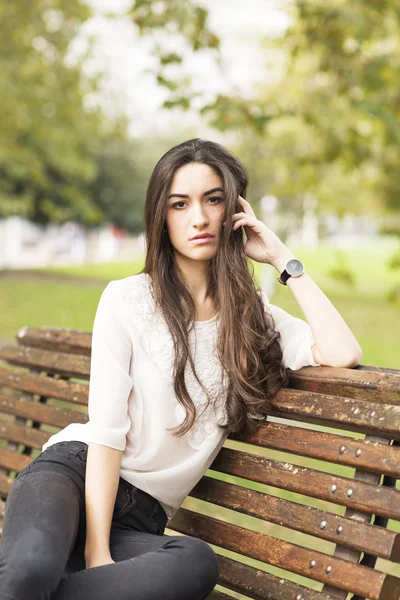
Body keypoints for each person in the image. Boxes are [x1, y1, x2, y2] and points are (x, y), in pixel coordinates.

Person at [0, 138, 362, 600]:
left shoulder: (253, 317)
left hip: (142, 519)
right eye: (180, 203)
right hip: (73, 477)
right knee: (29, 571)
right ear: (161, 216)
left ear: (234, 209)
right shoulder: (128, 299)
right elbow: (107, 433)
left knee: (193, 561)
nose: (199, 218)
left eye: (213, 199)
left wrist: (282, 260)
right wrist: (98, 558)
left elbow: (341, 352)